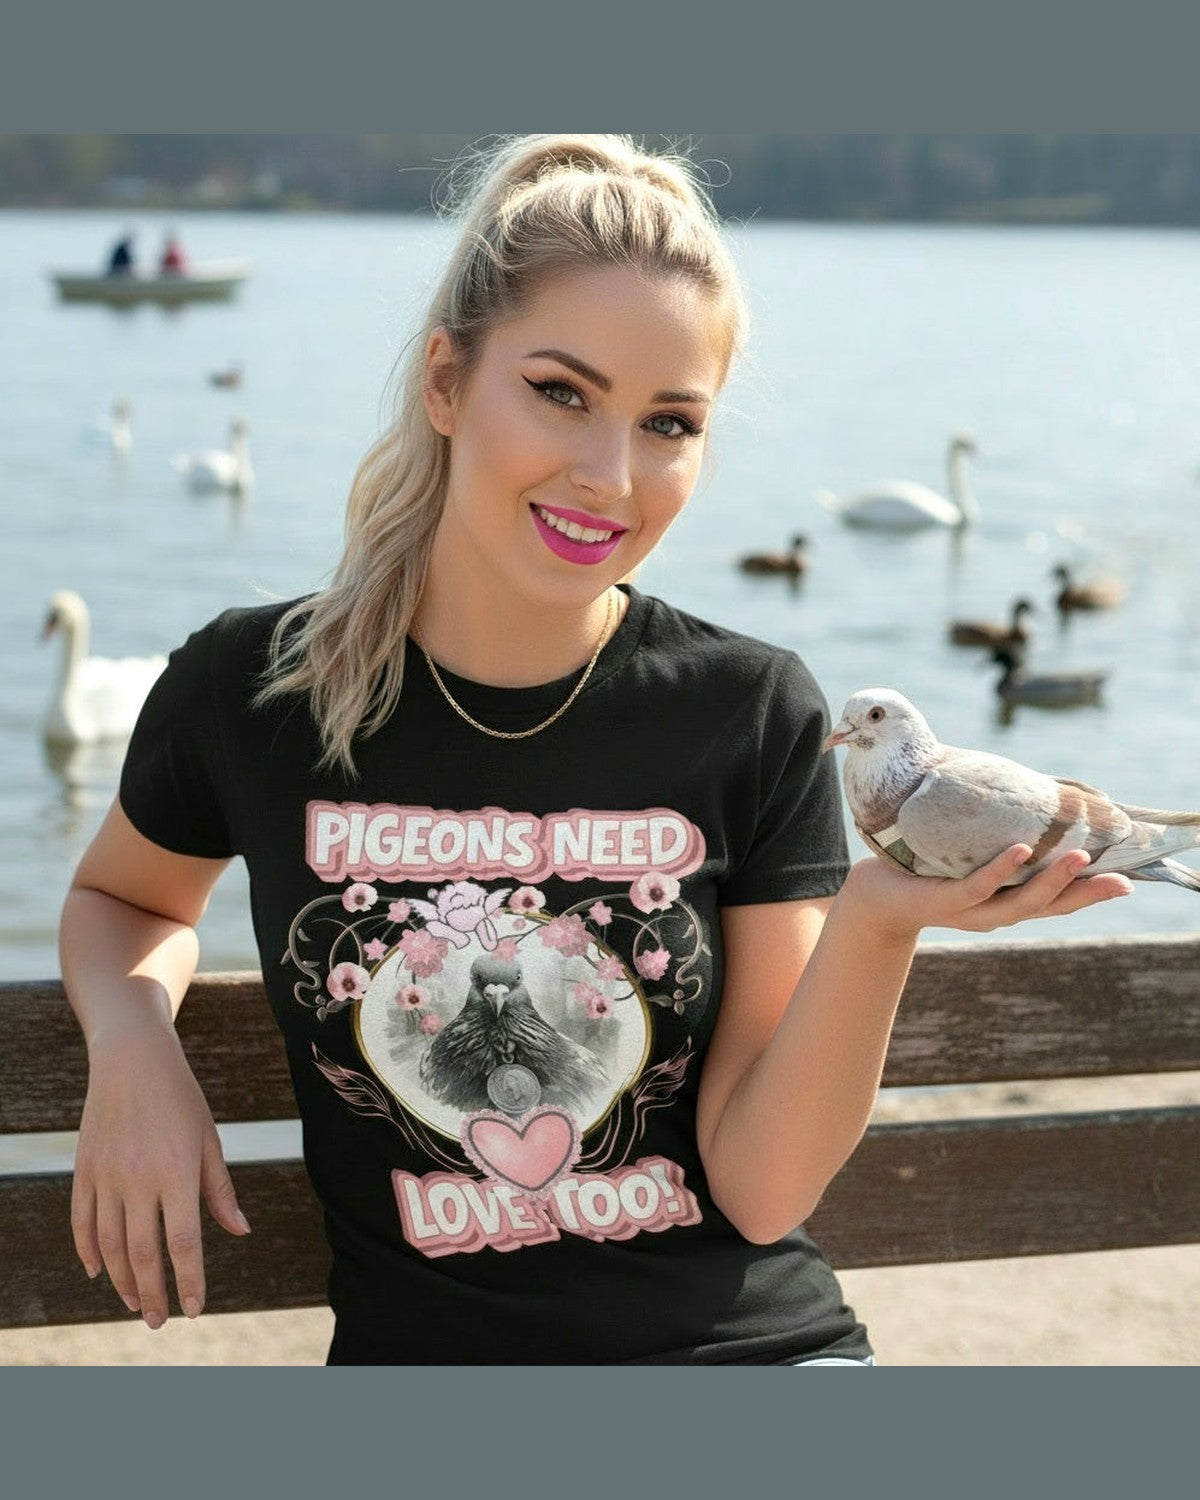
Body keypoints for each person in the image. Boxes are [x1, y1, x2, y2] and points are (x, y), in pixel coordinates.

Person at [60, 134, 1132, 1366]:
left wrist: (879, 920)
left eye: (668, 422)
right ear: (446, 382)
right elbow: (121, 900)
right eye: (562, 393)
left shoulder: (750, 708)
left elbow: (763, 1192)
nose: (611, 477)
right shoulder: (257, 689)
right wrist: (132, 1047)